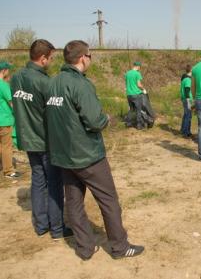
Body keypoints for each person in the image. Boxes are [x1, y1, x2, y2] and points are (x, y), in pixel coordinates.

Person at [46, 40, 144, 260]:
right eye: (90, 56)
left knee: (73, 202)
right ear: (83, 58)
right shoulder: (80, 84)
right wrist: (105, 119)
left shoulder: (53, 83)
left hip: (64, 156)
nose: (90, 59)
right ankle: (119, 247)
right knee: (108, 200)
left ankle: (84, 248)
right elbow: (94, 121)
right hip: (87, 155)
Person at [10, 39, 72, 240]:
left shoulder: (16, 78)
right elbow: (53, 114)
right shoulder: (45, 82)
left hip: (27, 139)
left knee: (38, 181)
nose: (52, 62)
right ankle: (56, 228)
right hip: (45, 140)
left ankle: (41, 226)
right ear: (43, 58)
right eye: (51, 58)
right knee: (54, 183)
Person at [124, 61, 146, 130]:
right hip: (136, 94)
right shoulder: (137, 73)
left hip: (129, 94)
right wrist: (143, 89)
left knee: (131, 109)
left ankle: (128, 123)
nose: (140, 68)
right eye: (140, 67)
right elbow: (139, 85)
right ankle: (139, 125)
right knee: (138, 110)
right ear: (138, 66)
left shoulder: (127, 73)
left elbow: (127, 83)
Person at [180, 64, 193, 138]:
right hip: (187, 99)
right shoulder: (188, 79)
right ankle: (186, 132)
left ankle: (183, 130)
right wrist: (189, 100)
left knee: (186, 115)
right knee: (188, 116)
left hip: (184, 99)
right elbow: (187, 90)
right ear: (191, 70)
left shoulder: (184, 78)